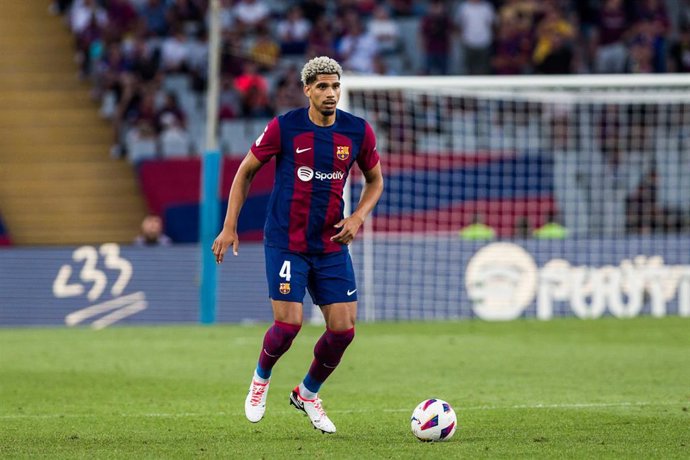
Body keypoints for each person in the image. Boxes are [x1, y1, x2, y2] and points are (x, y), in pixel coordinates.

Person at [212, 56, 384, 434]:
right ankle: (260, 381)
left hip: (331, 243)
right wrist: (229, 227)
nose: (330, 93)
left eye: (335, 86)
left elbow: (375, 181)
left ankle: (307, 393)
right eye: (322, 86)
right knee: (288, 325)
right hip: (286, 242)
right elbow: (245, 172)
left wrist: (357, 217)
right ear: (307, 89)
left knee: (344, 330)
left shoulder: (357, 132)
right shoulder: (285, 127)